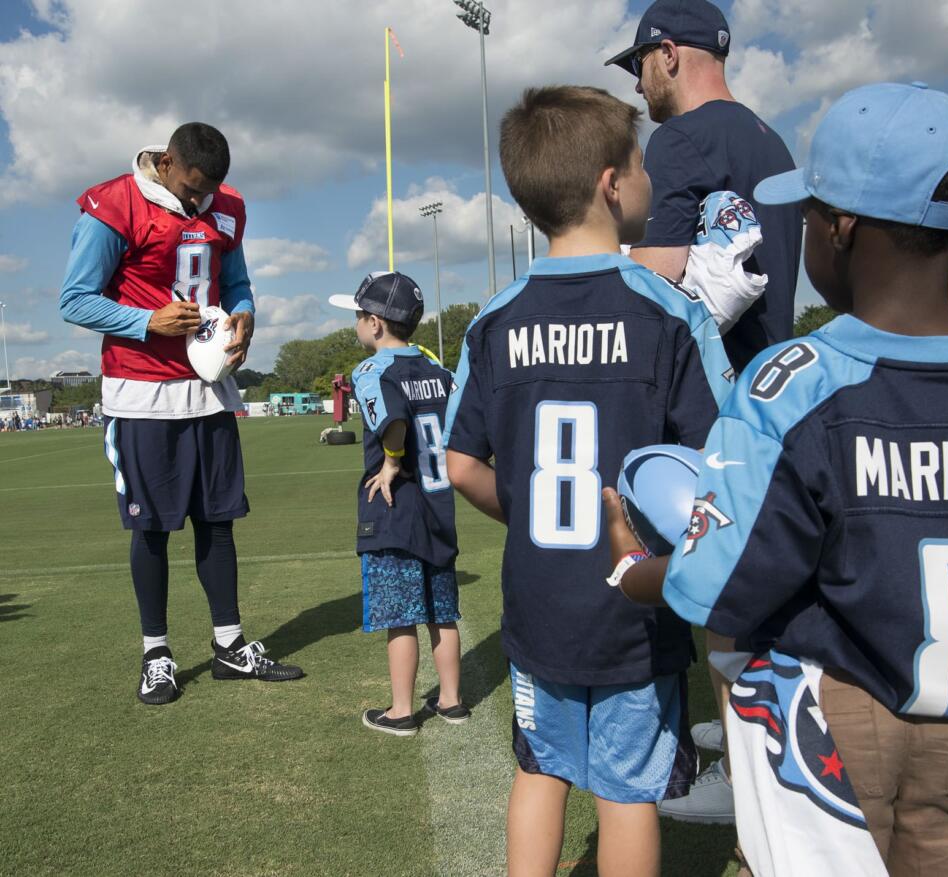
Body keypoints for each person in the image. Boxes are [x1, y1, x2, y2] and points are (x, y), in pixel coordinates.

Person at [606, 82, 948, 876]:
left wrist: (636, 572)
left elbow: (724, 581)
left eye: (805, 214)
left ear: (838, 229)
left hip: (838, 736)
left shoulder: (793, 384)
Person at [444, 85, 734, 877]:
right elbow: (724, 465)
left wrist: (534, 510)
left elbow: (460, 461)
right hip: (634, 606)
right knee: (627, 793)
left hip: (538, 603)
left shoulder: (493, 320)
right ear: (612, 181)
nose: (649, 178)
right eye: (640, 161)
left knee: (539, 772)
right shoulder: (672, 314)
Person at [605, 0, 803, 821]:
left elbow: (652, 295)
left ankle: (755, 774)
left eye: (641, 63)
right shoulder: (768, 135)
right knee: (764, 581)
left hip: (724, 398)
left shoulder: (681, 140)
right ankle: (757, 739)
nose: (640, 82)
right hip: (778, 382)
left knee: (723, 582)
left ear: (671, 54)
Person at [59, 122, 302, 705]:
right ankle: (157, 654)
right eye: (192, 189)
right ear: (166, 162)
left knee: (218, 520)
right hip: (141, 394)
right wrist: (147, 322)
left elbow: (236, 282)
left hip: (209, 389)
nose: (200, 201)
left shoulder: (228, 206)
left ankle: (229, 645)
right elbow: (74, 297)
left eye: (209, 191)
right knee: (151, 527)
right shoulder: (115, 204)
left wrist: (245, 316)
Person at [328, 271, 467, 737]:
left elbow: (394, 423)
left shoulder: (372, 371)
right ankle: (451, 700)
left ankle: (402, 710)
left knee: (401, 615)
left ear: (375, 323)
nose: (356, 325)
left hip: (396, 509)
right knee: (441, 612)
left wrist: (389, 462)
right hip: (437, 504)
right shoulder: (439, 372)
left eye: (357, 316)